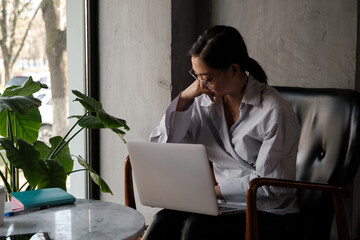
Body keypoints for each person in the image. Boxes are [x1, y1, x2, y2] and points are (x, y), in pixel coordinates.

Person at [145, 25, 301, 240]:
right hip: (218, 203)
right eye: (196, 76)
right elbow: (164, 150)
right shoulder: (203, 102)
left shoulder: (274, 111)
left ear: (234, 70)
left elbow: (272, 185)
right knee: (164, 219)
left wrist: (212, 193)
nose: (201, 84)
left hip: (267, 211)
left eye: (206, 77)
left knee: (196, 226)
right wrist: (183, 99)